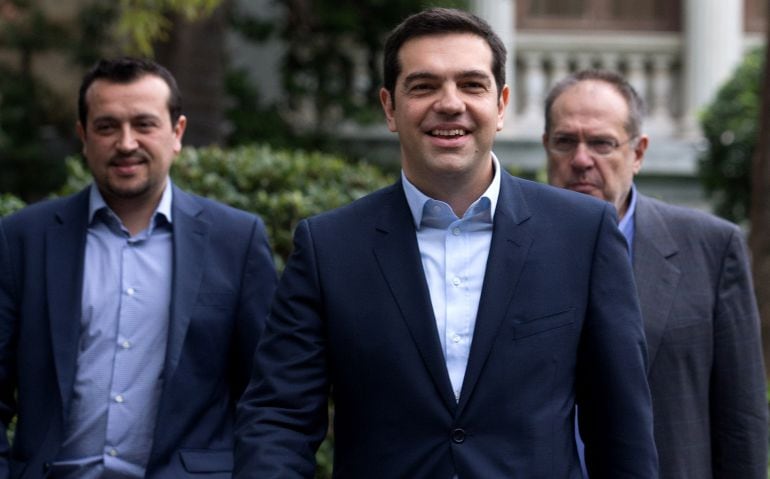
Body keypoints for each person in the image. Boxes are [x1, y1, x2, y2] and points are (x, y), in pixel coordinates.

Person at [234, 8, 657, 478]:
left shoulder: (583, 234)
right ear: (390, 107)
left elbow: (621, 429)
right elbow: (279, 419)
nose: (450, 103)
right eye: (423, 86)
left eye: (472, 85)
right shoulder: (329, 247)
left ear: (501, 105)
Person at [0, 57, 277, 478]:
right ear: (83, 136)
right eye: (107, 127)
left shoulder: (235, 241)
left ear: (177, 133)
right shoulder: (22, 239)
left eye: (144, 124)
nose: (126, 143)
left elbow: (267, 397)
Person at [543, 69, 768, 479]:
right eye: (565, 141)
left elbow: (742, 422)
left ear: (639, 153)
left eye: (601, 143)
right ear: (546, 147)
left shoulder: (712, 249)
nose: (580, 159)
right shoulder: (508, 247)